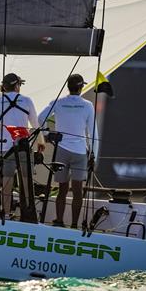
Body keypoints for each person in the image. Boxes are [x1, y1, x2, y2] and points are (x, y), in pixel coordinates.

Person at [37, 73, 99, 228]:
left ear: (68, 87)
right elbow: (93, 133)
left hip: (62, 150)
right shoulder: (88, 105)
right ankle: (73, 225)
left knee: (62, 189)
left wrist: (47, 134)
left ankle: (59, 221)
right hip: (80, 153)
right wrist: (94, 155)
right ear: (81, 87)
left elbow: (40, 118)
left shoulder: (58, 102)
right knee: (78, 191)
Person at [0, 73, 45, 219]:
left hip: (6, 148)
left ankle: (6, 214)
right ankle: (28, 214)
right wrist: (41, 141)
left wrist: (6, 127)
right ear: (17, 85)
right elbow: (35, 125)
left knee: (7, 181)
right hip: (24, 148)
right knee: (26, 181)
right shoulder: (27, 100)